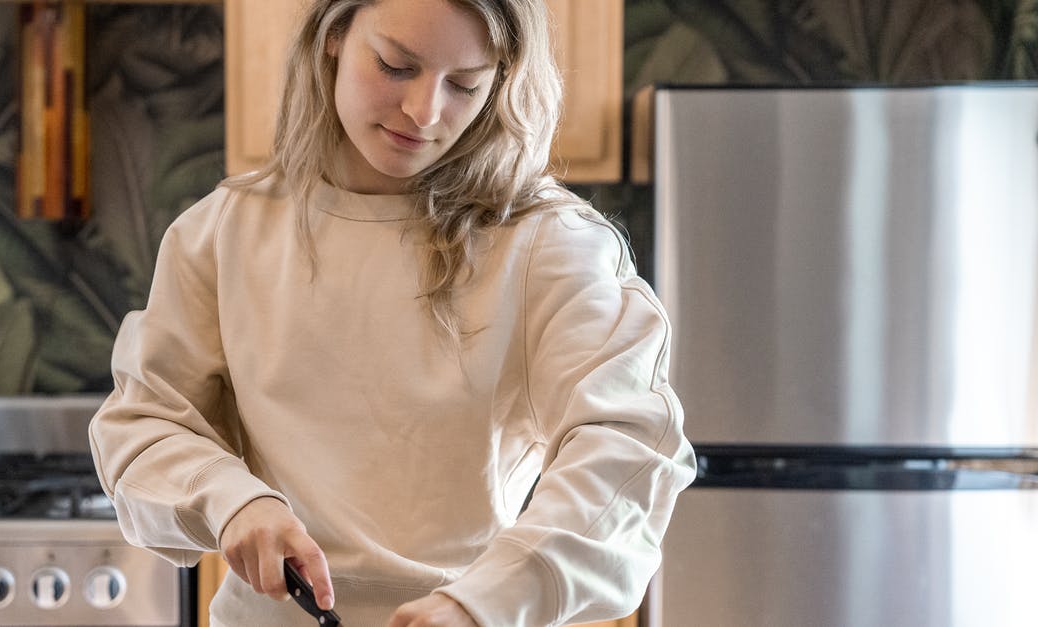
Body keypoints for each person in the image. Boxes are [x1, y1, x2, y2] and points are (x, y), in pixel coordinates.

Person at [88, 0, 696, 625]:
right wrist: (231, 501)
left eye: (465, 85)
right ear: (333, 37)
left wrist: (486, 603)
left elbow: (630, 444)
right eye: (396, 66)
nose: (425, 112)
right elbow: (143, 424)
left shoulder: (549, 244)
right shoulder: (224, 233)